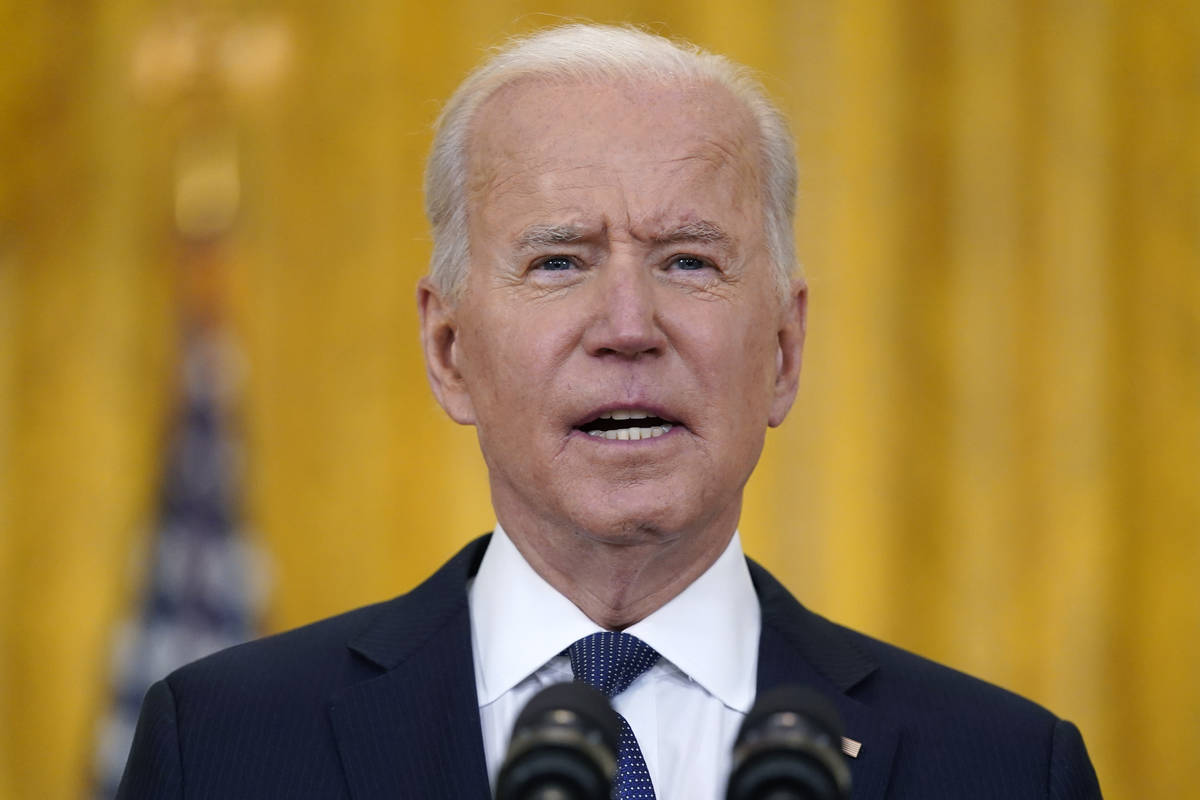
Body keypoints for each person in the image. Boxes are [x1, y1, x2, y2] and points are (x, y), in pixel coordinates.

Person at [117, 24, 1102, 799]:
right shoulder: (225, 746)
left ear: (785, 350)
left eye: (688, 259)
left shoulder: (1001, 767)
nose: (628, 325)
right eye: (559, 260)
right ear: (449, 349)